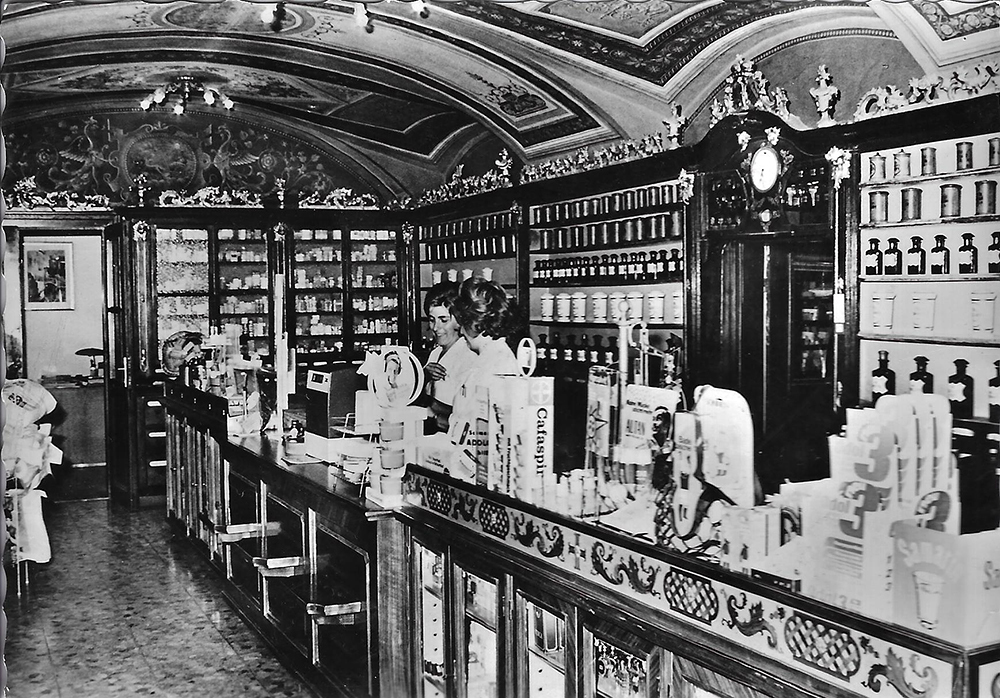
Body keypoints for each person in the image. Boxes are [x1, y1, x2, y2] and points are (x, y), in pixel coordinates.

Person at [446, 277, 522, 478]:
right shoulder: (487, 358)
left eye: (462, 323)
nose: (460, 331)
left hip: (479, 474)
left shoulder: (497, 365)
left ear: (472, 323)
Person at [422, 281, 477, 433]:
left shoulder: (468, 356)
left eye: (443, 320)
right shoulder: (435, 353)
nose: (435, 327)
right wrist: (423, 376)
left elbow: (468, 417)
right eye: (432, 320)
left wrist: (430, 405)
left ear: (459, 320)